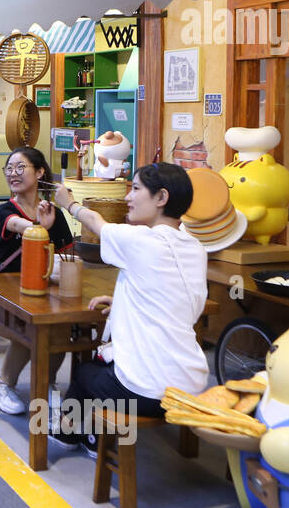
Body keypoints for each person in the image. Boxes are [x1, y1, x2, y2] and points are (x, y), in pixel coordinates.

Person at [51, 162, 208, 457]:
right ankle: (91, 435)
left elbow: (96, 222)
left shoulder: (140, 240)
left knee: (85, 374)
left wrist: (68, 203)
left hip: (149, 393)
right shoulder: (196, 248)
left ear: (161, 197)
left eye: (135, 189)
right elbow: (178, 299)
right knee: (105, 368)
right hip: (192, 384)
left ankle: (75, 434)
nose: (127, 197)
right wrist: (123, 301)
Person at [0, 146, 75, 417]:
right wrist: (39, 227)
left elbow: (68, 256)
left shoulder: (55, 214)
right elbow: (17, 225)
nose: (13, 173)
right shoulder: (5, 210)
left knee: (62, 328)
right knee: (29, 327)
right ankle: (3, 385)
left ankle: (46, 384)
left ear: (40, 172)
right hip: (2, 290)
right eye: (10, 168)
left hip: (42, 290)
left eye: (21, 167)